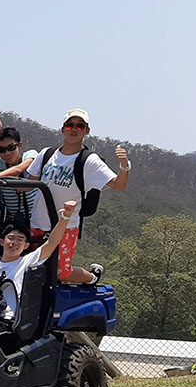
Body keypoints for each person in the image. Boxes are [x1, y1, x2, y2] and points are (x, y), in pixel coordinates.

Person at [24, 109, 130, 284]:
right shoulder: (47, 154)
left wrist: (125, 167)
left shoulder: (89, 160)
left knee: (60, 273)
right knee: (32, 268)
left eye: (80, 126)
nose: (74, 129)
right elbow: (27, 185)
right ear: (63, 129)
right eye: (70, 125)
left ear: (87, 131)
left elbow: (119, 185)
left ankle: (91, 277)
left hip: (66, 225)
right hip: (37, 223)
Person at [0, 200, 77, 322]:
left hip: (5, 319)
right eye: (11, 238)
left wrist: (66, 217)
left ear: (26, 246)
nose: (14, 243)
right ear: (1, 242)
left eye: (20, 240)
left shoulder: (26, 262)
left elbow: (52, 242)